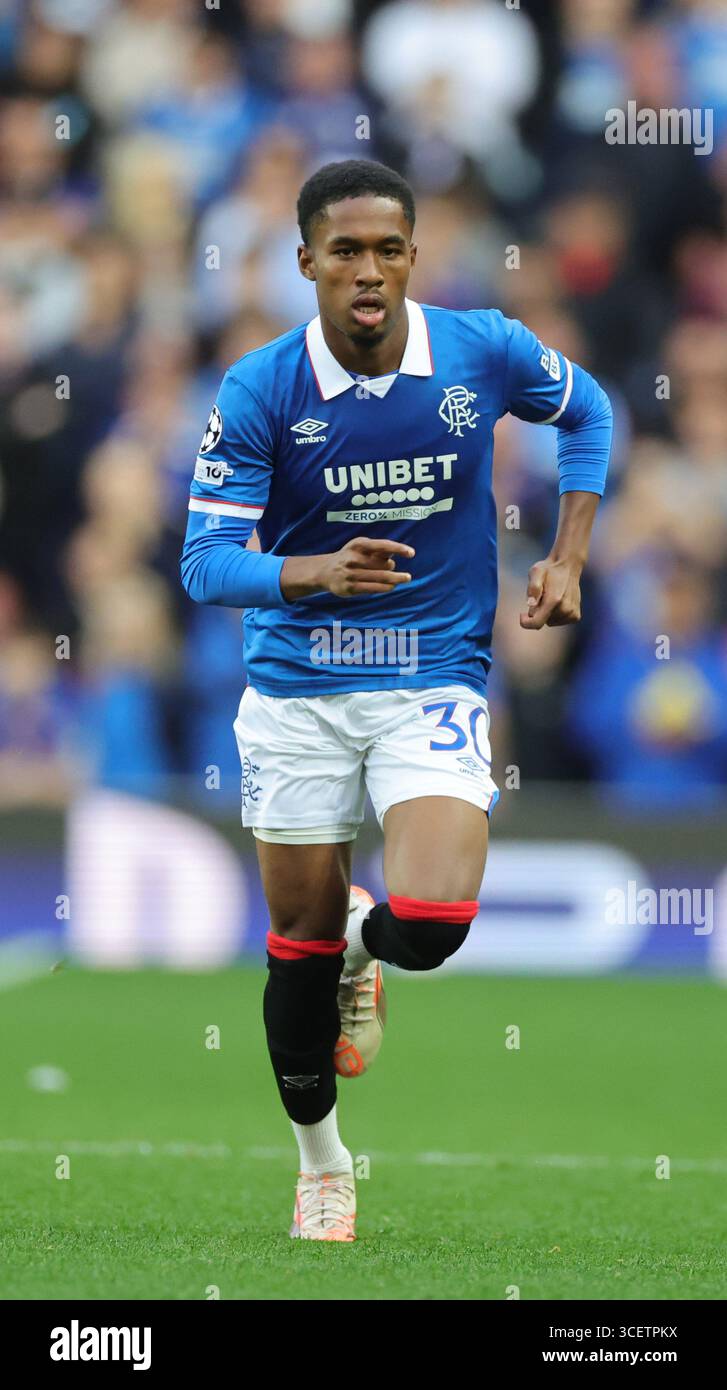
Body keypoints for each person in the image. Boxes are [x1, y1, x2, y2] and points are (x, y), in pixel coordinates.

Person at [180, 159, 612, 1241]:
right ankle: (321, 1164)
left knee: (427, 920)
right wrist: (310, 572)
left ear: (413, 256)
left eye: (387, 249)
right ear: (306, 262)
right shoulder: (260, 388)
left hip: (431, 668)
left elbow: (589, 412)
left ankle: (365, 958)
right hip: (298, 684)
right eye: (344, 251)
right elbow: (201, 561)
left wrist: (566, 557)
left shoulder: (482, 351)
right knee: (295, 936)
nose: (367, 270)